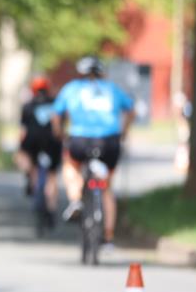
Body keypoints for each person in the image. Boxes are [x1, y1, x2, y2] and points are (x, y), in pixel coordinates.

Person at [51, 55, 134, 251]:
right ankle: (108, 237)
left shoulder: (72, 89)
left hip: (79, 140)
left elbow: (56, 115)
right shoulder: (112, 89)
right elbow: (131, 111)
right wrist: (123, 132)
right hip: (110, 142)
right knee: (107, 188)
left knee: (71, 165)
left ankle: (75, 201)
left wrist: (60, 135)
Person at [14, 76, 62, 218]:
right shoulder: (56, 104)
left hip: (32, 142)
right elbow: (59, 125)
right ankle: (51, 207)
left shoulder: (27, 106)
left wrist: (20, 148)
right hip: (52, 142)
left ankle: (32, 182)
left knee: (32, 166)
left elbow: (23, 130)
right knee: (52, 176)